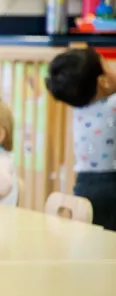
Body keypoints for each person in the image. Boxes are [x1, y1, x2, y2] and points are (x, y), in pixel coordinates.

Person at [46, 48, 116, 230]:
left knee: (89, 239)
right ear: (103, 82)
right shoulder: (112, 106)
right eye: (108, 66)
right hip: (110, 186)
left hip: (83, 185)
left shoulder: (80, 110)